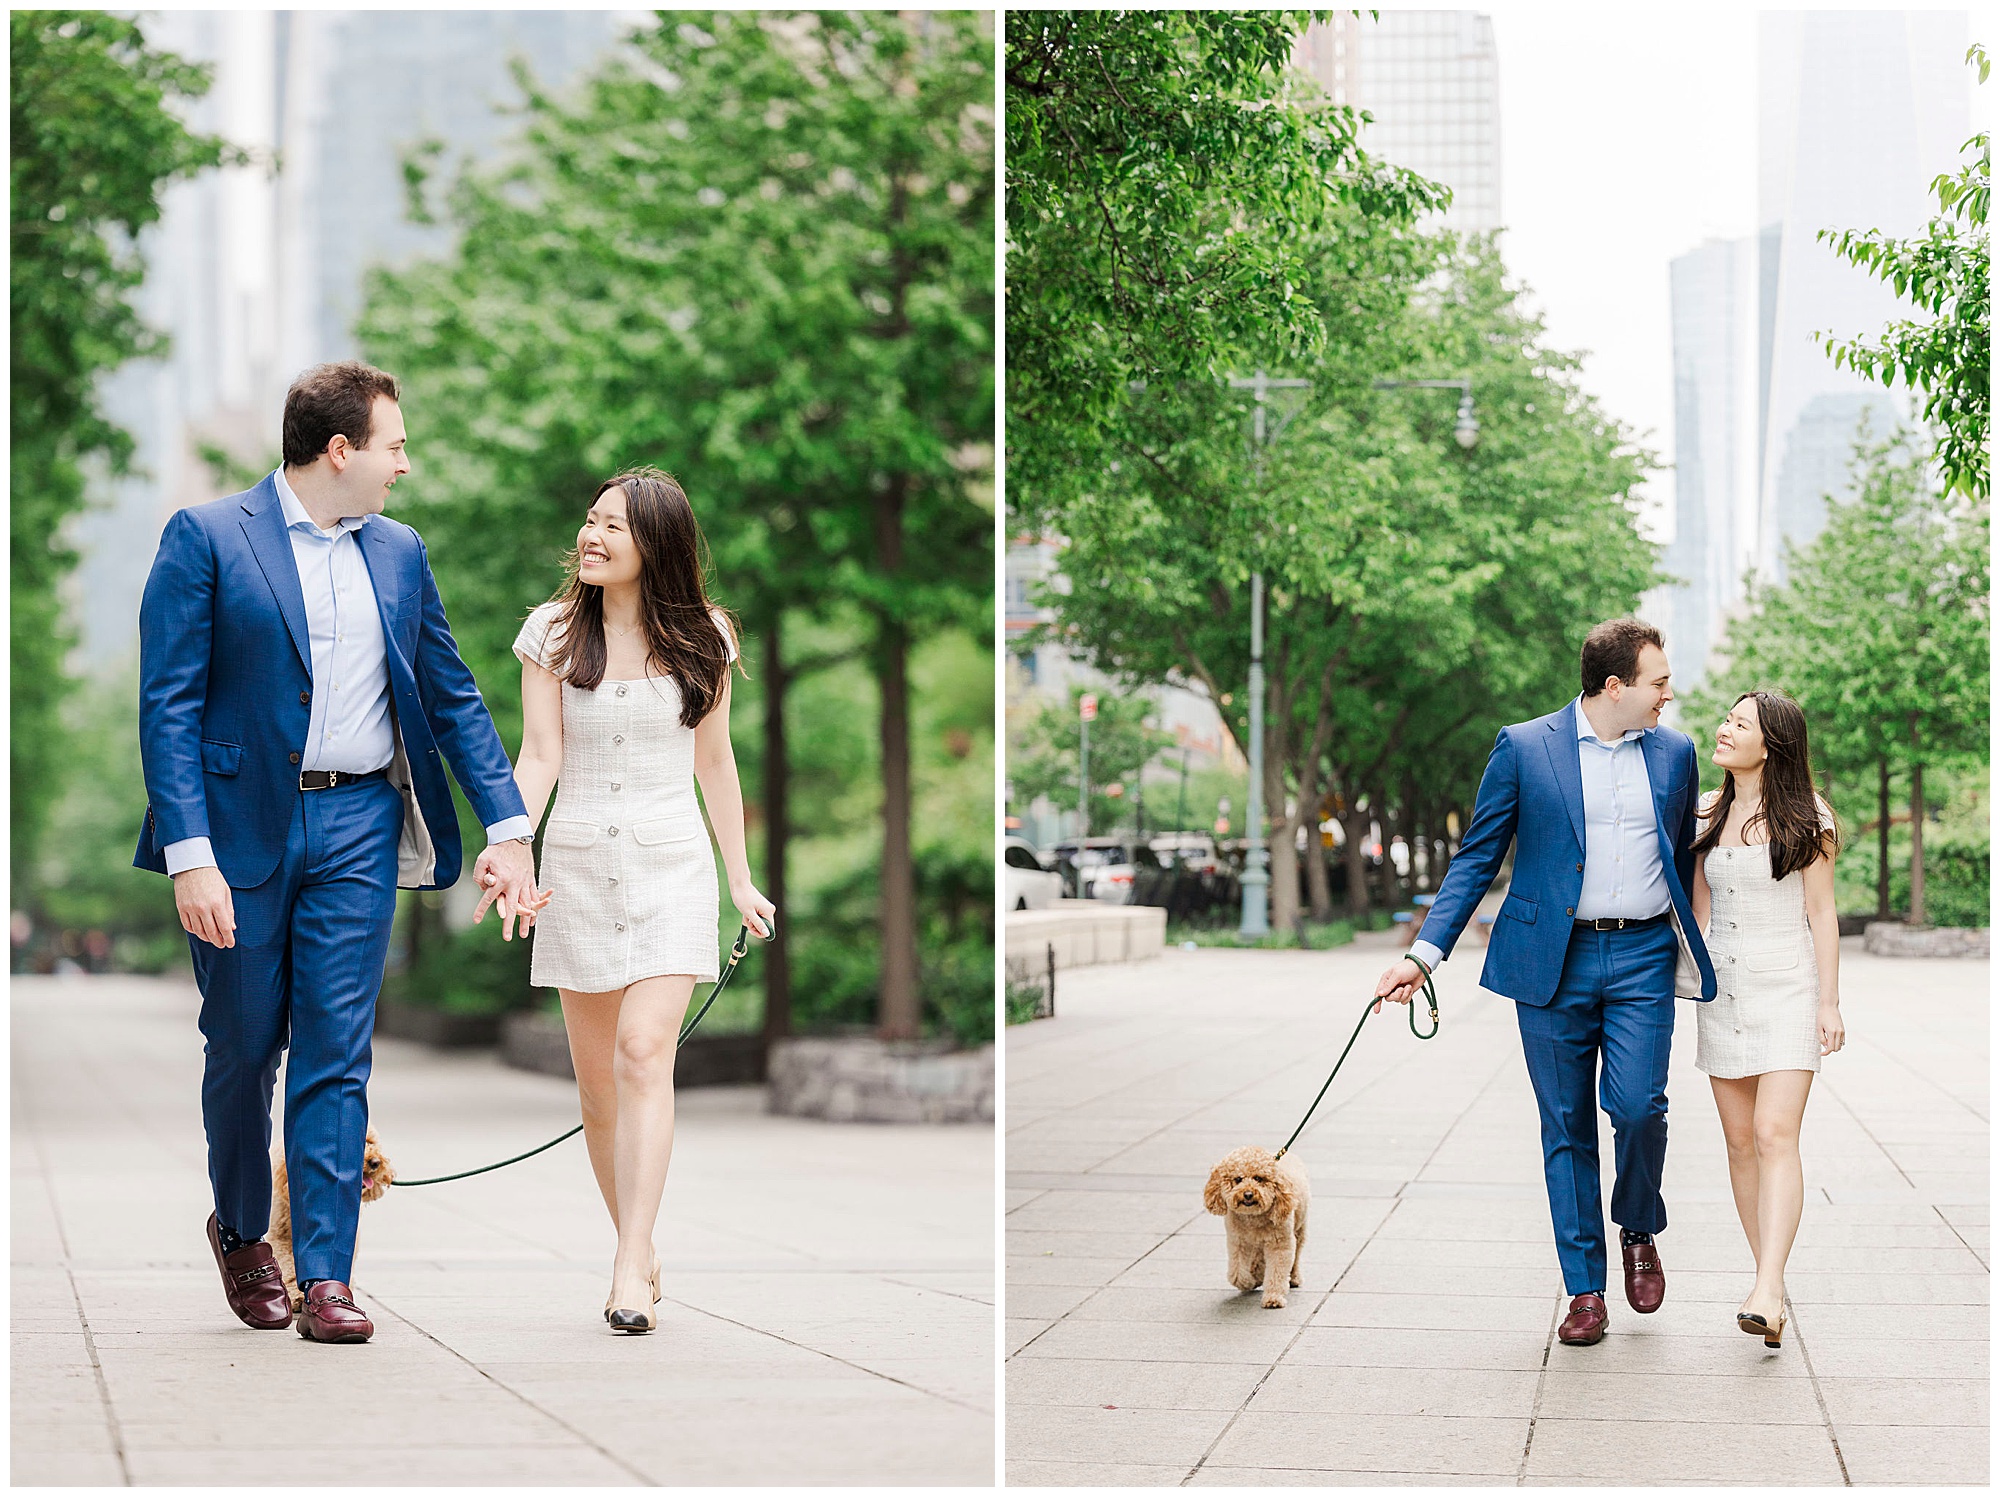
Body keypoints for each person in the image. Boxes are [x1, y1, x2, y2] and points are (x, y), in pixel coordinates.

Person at [135, 361, 548, 1345]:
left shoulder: (400, 553)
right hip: (237, 833)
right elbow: (168, 703)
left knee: (336, 1050)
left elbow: (450, 694)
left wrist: (508, 826)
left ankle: (325, 1274)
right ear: (340, 451)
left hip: (360, 823)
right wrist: (189, 851)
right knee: (241, 1046)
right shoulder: (206, 537)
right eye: (395, 446)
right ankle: (241, 1233)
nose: (405, 465)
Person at [1375, 618, 1717, 1347]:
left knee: (1637, 1107)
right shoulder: (1525, 746)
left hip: (1643, 957)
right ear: (1615, 685)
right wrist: (1426, 953)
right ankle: (1585, 1289)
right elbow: (1477, 855)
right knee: (1565, 1126)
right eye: (1658, 680)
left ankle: (1638, 1225)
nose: (1669, 693)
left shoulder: (1676, 752)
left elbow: (1686, 850)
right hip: (1551, 961)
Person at [501, 468, 776, 1333]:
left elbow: (717, 763)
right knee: (598, 1095)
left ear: (654, 544)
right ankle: (638, 1239)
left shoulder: (707, 637)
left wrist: (739, 874)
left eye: (611, 527)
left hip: (672, 869)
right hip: (575, 868)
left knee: (643, 1048)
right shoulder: (550, 633)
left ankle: (627, 1268)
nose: (591, 536)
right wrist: (509, 843)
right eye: (589, 520)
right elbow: (539, 754)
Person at [1691, 690, 1844, 1349]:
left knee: (1775, 1132)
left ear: (1771, 743)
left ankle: (1766, 1284)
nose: (1724, 730)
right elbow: (1696, 909)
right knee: (1740, 1142)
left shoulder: (1809, 817)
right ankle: (1770, 1288)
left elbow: (1821, 913)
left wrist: (1829, 1002)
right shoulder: (1703, 812)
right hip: (1722, 991)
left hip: (1787, 986)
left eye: (1739, 724)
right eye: (1727, 719)